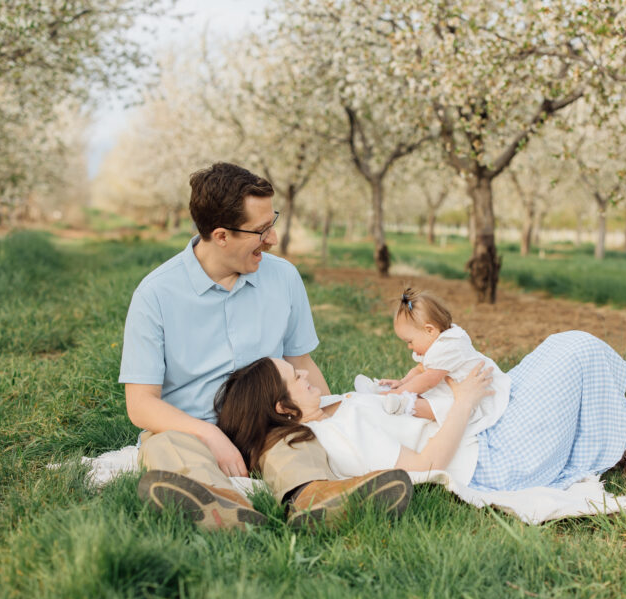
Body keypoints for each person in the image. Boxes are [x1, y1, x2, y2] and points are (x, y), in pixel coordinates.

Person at [119, 162, 412, 531]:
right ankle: (220, 507)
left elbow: (300, 360)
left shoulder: (284, 277)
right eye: (261, 230)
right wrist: (210, 434)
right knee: (165, 447)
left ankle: (315, 498)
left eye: (271, 222)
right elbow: (141, 403)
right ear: (221, 235)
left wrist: (334, 415)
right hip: (190, 430)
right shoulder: (155, 295)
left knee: (294, 442)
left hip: (269, 423)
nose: (272, 239)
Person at [215, 331, 626, 497]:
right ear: (285, 409)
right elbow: (428, 465)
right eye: (295, 379)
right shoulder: (339, 433)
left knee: (560, 349)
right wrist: (464, 402)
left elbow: (398, 412)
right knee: (575, 349)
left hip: (480, 426)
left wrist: (409, 387)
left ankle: (625, 446)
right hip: (497, 458)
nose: (305, 375)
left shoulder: (328, 410)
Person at [372, 287, 510, 436]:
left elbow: (428, 380)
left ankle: (406, 405)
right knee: (428, 394)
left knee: (446, 408)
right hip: (451, 387)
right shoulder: (433, 342)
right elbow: (420, 369)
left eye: (410, 341)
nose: (409, 346)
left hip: (474, 393)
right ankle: (404, 400)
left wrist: (399, 392)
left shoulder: (449, 345)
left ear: (430, 330)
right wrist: (403, 383)